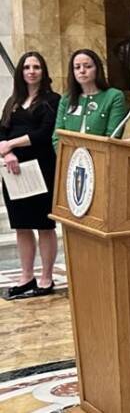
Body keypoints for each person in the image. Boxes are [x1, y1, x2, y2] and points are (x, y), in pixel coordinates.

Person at [0, 52, 60, 299]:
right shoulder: (13, 100)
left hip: (42, 167)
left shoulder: (52, 100)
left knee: (44, 225)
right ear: (21, 72)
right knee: (22, 226)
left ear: (43, 71)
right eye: (27, 67)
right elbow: (1, 130)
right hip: (14, 170)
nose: (31, 71)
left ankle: (46, 278)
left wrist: (11, 144)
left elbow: (45, 133)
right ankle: (26, 277)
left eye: (36, 67)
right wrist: (8, 154)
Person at [53, 49, 127, 148]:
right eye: (77, 67)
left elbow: (113, 137)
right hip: (70, 159)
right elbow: (57, 137)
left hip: (101, 158)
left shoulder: (114, 96)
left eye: (88, 66)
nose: (82, 71)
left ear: (97, 69)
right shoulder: (66, 99)